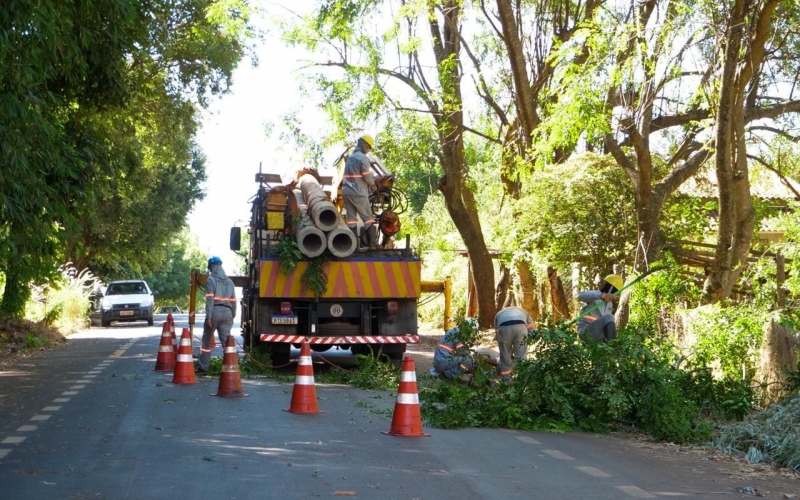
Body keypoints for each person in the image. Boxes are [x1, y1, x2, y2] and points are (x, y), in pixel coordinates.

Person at [197, 256, 237, 374]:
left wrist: (208, 317)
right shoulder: (230, 282)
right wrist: (232, 315)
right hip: (228, 312)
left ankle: (203, 367)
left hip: (215, 311)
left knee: (206, 341)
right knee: (227, 342)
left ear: (212, 267)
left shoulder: (211, 280)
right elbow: (233, 301)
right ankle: (231, 368)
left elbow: (210, 300)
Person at [342, 134, 378, 249]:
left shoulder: (350, 158)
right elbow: (366, 177)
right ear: (365, 145)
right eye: (369, 148)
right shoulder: (362, 158)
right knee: (368, 218)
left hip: (347, 192)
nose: (368, 150)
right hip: (358, 193)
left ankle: (352, 246)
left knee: (351, 219)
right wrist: (373, 183)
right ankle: (372, 244)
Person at [577, 274, 623, 343]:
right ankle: (612, 348)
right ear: (610, 287)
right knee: (609, 317)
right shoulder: (596, 295)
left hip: (598, 336)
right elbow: (580, 296)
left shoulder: (609, 305)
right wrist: (602, 296)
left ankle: (610, 349)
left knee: (610, 319)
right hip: (586, 331)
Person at [493, 306, 535, 380]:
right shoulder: (523, 311)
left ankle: (506, 381)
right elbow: (532, 330)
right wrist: (526, 342)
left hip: (503, 327)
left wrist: (507, 349)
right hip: (520, 327)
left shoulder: (499, 313)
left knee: (505, 357)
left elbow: (497, 335)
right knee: (521, 357)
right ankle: (521, 380)